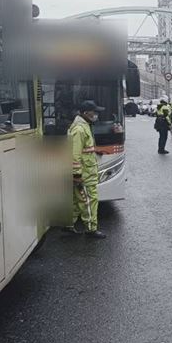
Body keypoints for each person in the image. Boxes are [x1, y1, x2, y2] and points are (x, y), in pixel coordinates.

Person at [67, 100, 106, 239]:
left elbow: (83, 149)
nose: (96, 114)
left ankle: (68, 226)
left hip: (84, 172)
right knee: (89, 200)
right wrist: (76, 174)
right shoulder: (80, 129)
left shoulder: (84, 125)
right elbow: (74, 154)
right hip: (84, 174)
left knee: (77, 200)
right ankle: (91, 229)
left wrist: (95, 150)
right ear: (85, 113)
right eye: (94, 112)